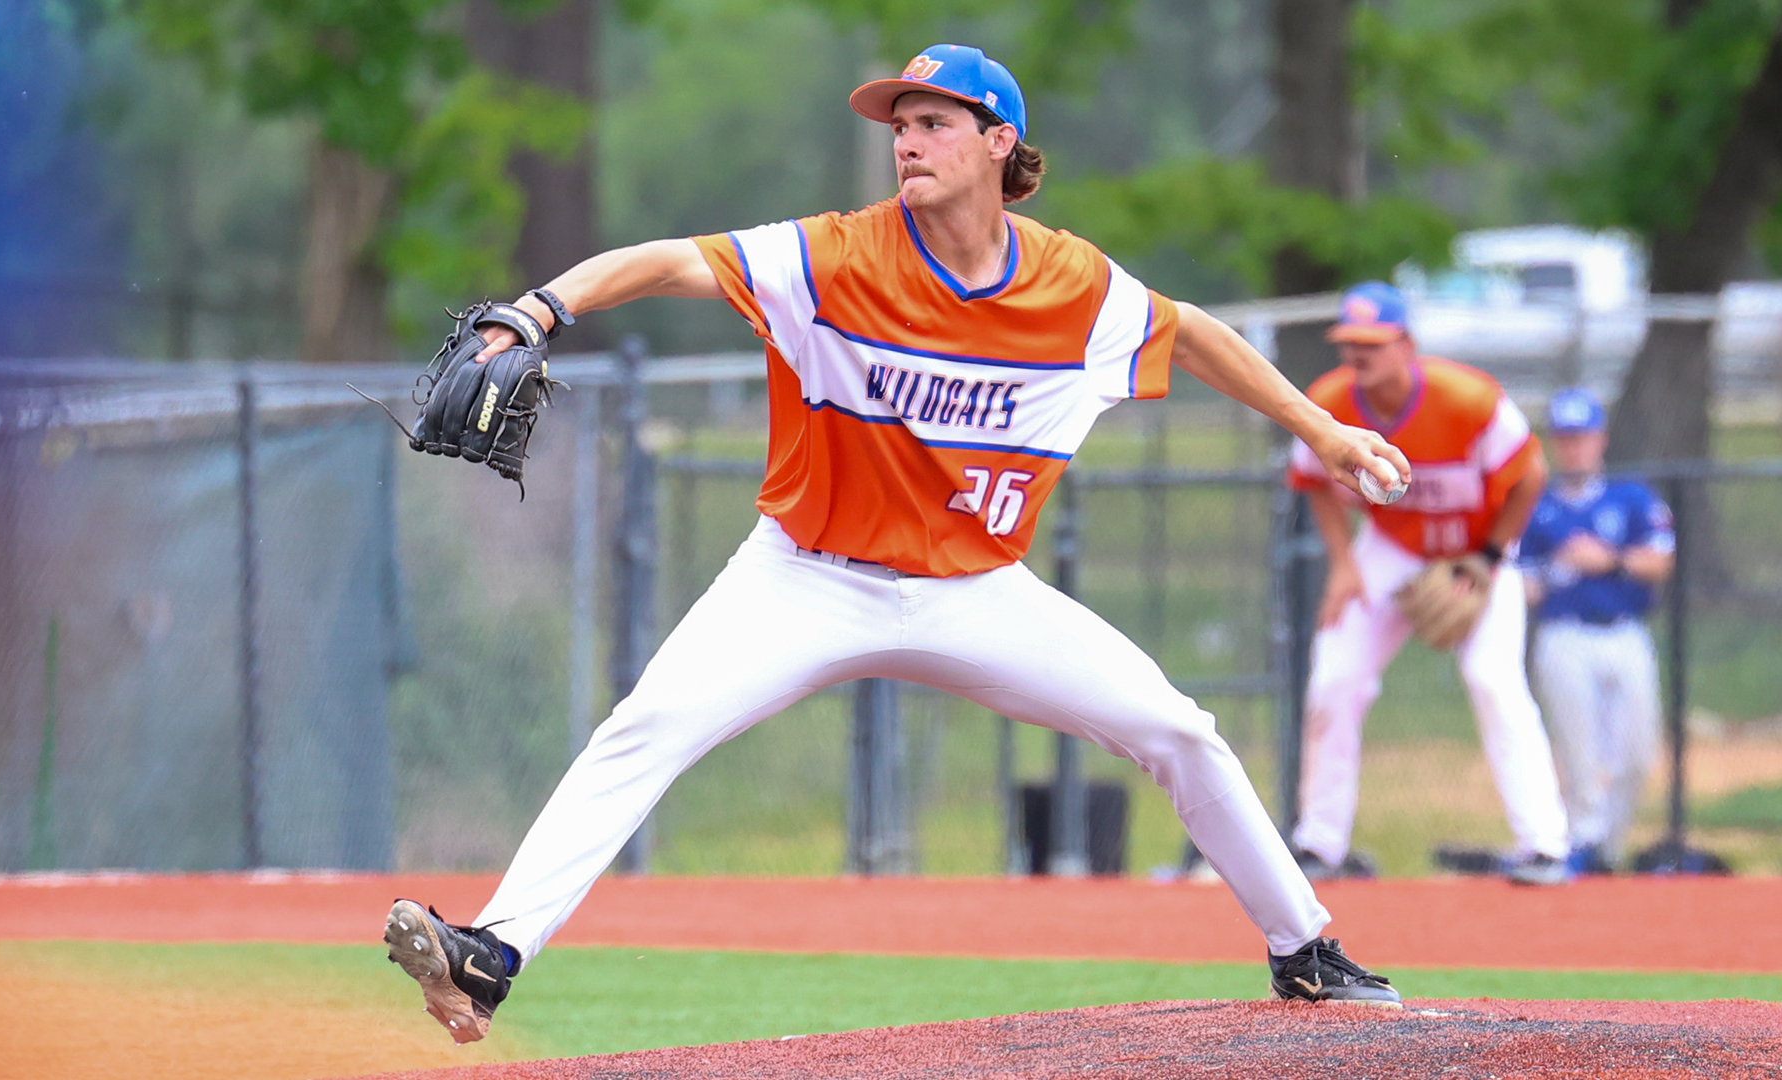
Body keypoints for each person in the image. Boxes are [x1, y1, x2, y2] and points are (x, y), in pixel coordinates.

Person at [381, 44, 1413, 1043]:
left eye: (932, 122)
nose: (906, 141)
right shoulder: (834, 253)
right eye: (898, 125)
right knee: (646, 729)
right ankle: (492, 954)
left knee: (1179, 731)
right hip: (803, 578)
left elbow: (1190, 331)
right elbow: (672, 260)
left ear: (998, 141)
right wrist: (540, 308)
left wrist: (1321, 429)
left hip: (976, 590)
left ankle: (1306, 950)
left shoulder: (1072, 284)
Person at [1285, 281, 1572, 887]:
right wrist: (1343, 564)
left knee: (1493, 679)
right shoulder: (1331, 400)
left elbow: (1531, 473)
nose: (1358, 355)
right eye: (1349, 343)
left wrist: (1490, 559)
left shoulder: (1468, 399)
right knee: (1335, 678)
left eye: (1373, 342)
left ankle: (1544, 845)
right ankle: (1319, 843)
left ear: (1406, 344)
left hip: (1480, 545)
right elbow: (1311, 479)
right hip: (1392, 545)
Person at [1519, 388, 1674, 875]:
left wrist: (1606, 561)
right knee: (1578, 748)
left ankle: (1608, 843)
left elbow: (1660, 560)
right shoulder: (1537, 507)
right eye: (1566, 438)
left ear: (1600, 440)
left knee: (1637, 749)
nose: (1575, 448)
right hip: (1564, 635)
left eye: (1582, 437)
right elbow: (1520, 580)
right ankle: (1584, 840)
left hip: (1624, 632)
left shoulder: (1629, 497)